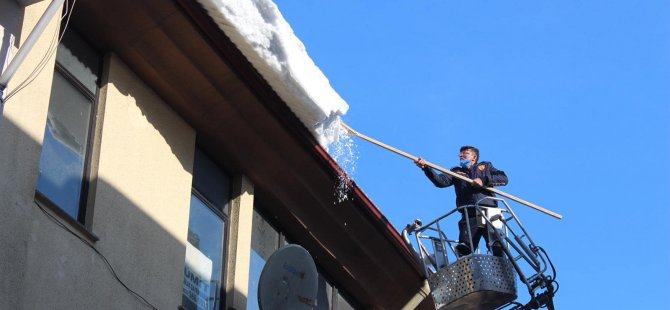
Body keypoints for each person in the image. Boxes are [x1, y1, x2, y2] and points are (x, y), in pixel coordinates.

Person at [415, 146, 508, 257]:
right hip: (469, 211)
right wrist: (426, 168)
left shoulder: (485, 167)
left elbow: (503, 178)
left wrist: (483, 180)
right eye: (460, 154)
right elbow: (441, 182)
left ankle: (499, 258)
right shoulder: (457, 172)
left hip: (489, 210)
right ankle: (468, 263)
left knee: (496, 243)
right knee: (464, 246)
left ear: (474, 157)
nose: (461, 155)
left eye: (465, 153)